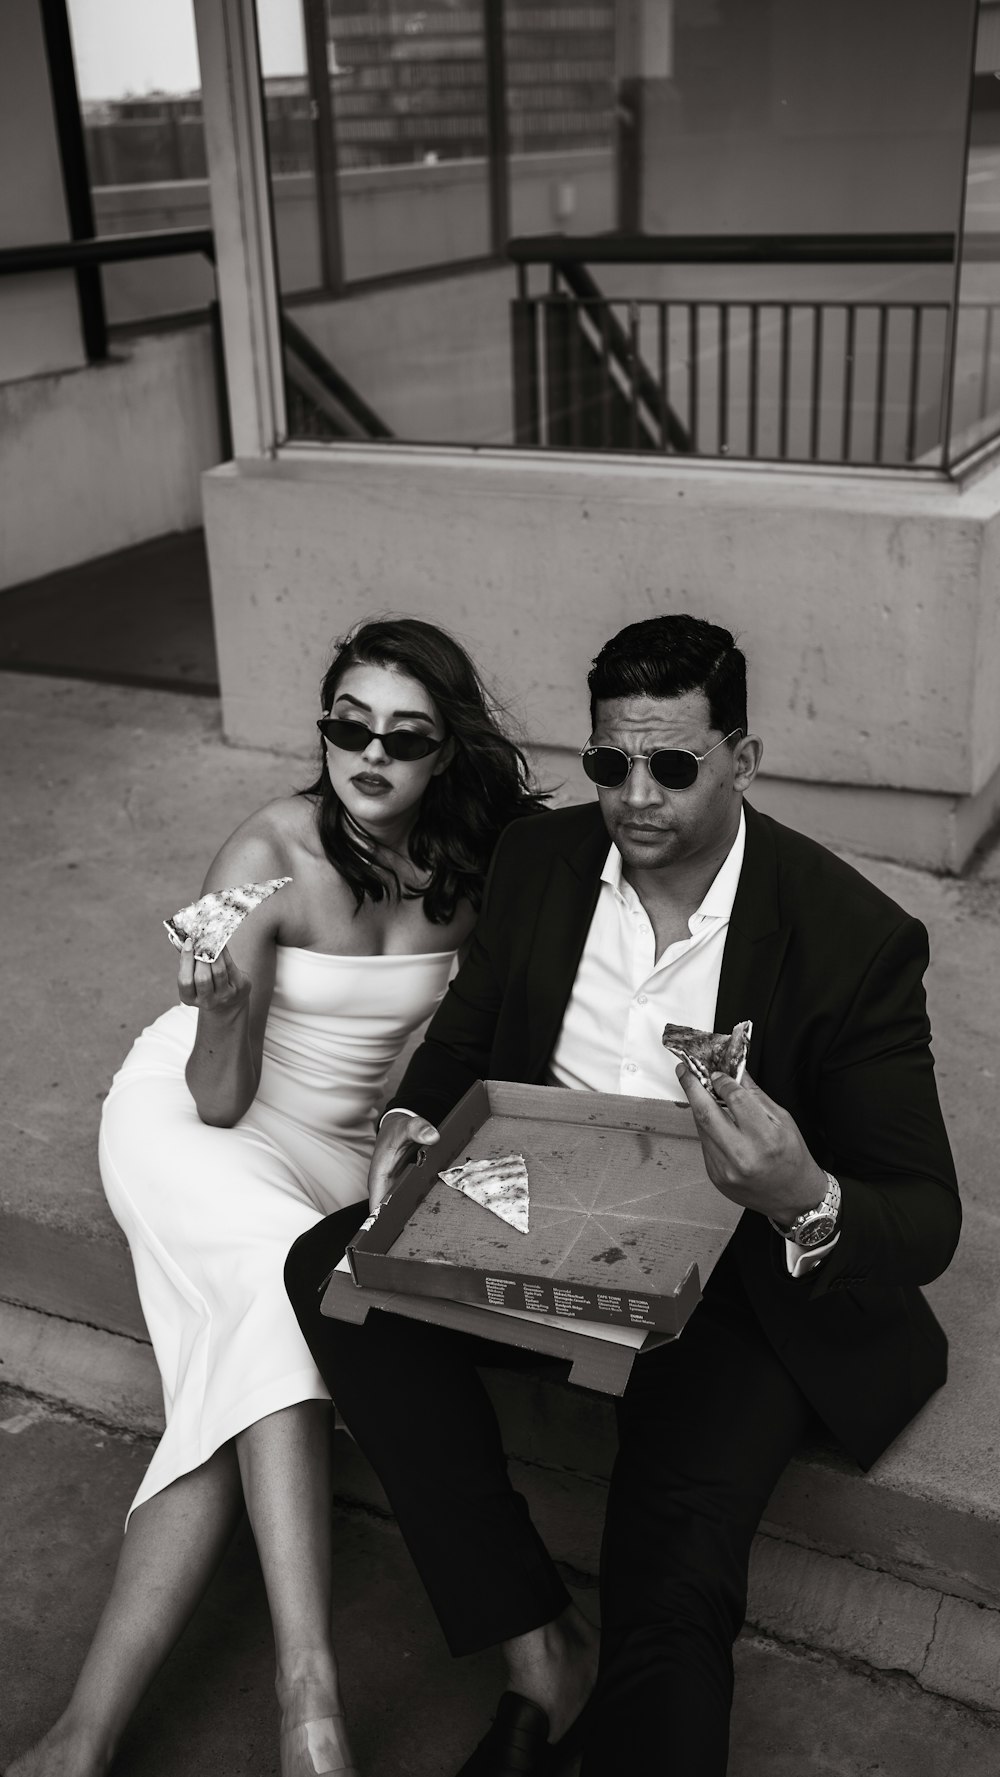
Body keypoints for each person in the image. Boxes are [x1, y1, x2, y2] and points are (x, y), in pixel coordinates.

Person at [285, 613, 961, 1777]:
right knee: (328, 1266)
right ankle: (536, 1640)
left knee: (676, 1592)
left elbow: (927, 1216)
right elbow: (464, 1042)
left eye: (672, 764)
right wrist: (408, 1121)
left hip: (730, 1280)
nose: (634, 794)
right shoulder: (540, 862)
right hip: (536, 1208)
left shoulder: (851, 938)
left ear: (741, 759)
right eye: (609, 761)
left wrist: (802, 1192)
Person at [9, 617, 546, 1777]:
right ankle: (309, 1701)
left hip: (347, 1154)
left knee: (236, 1378)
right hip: (205, 1123)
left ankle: (79, 1739)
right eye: (346, 726)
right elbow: (214, 1099)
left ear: (444, 751)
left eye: (402, 736)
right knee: (273, 1297)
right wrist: (219, 1009)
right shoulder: (268, 854)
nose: (369, 754)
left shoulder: (479, 862)